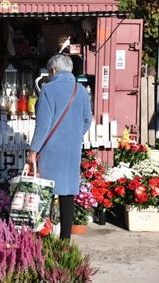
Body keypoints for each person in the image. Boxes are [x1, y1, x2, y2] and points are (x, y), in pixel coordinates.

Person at [27, 54, 92, 240]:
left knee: (45, 192)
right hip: (72, 151)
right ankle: (65, 241)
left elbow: (43, 125)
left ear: (53, 70)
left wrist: (33, 151)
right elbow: (87, 121)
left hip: (51, 151)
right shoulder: (80, 91)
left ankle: (44, 239)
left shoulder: (48, 89)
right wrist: (74, 136)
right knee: (67, 194)